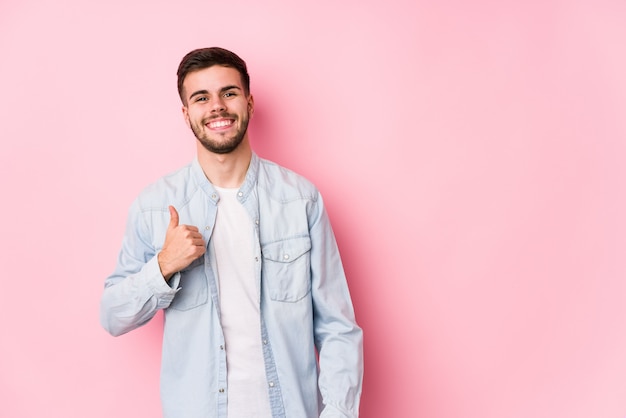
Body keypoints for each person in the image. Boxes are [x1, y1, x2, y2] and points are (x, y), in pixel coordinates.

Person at [100, 47, 363, 418]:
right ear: (186, 113)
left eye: (229, 93)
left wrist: (337, 413)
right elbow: (113, 315)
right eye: (201, 97)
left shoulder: (300, 199)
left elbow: (338, 327)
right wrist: (163, 265)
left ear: (249, 102)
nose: (217, 107)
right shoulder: (155, 207)